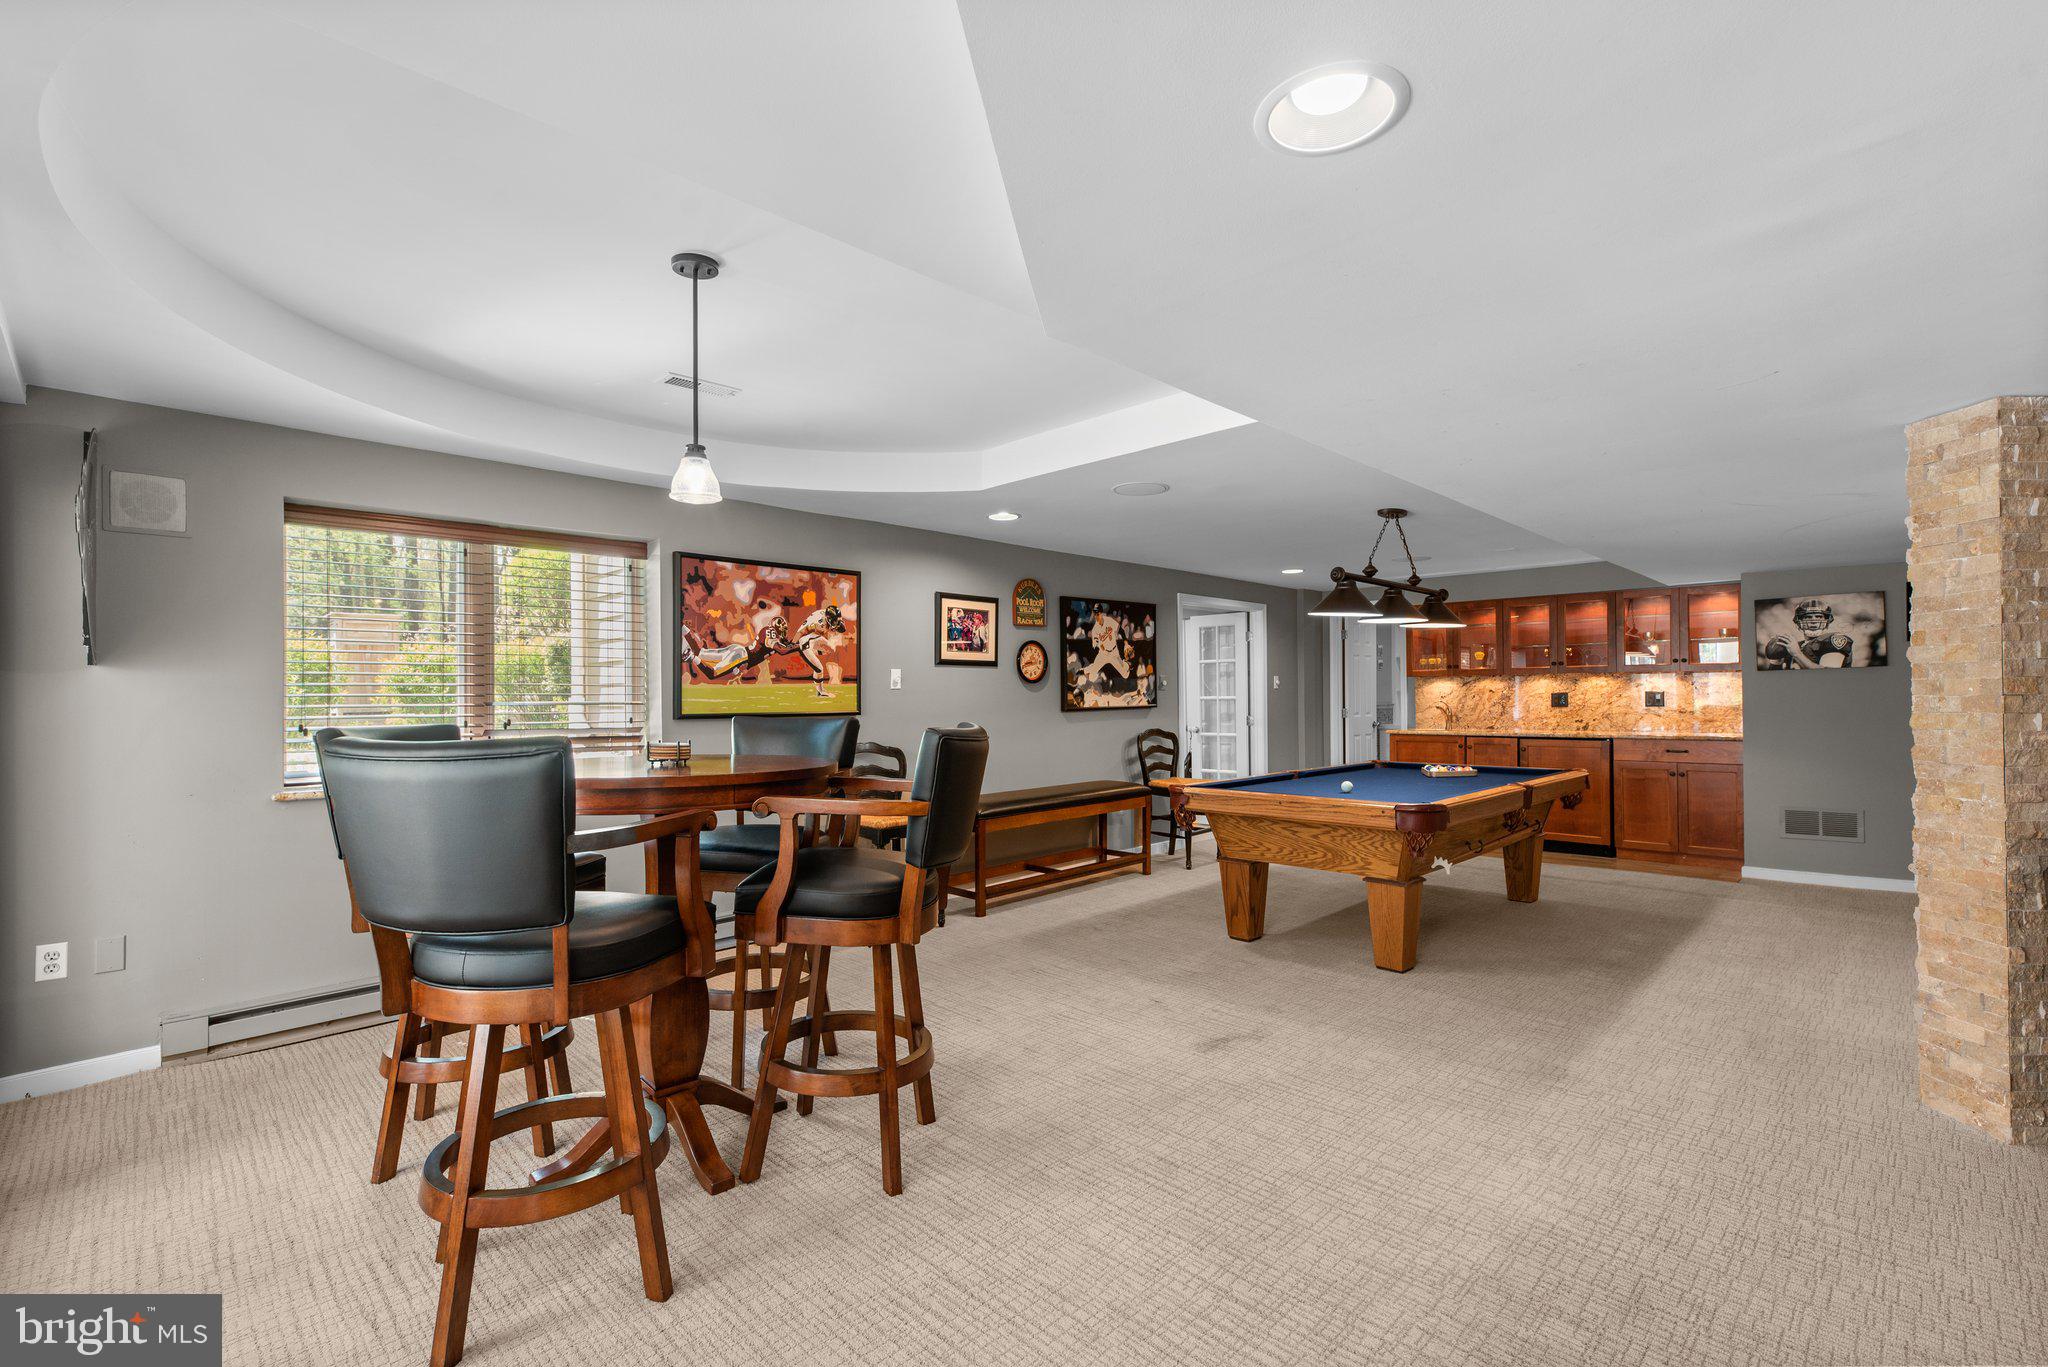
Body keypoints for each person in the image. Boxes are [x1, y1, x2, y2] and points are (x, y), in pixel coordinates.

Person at [681, 603, 845, 697]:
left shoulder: (776, 636)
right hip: (740, 656)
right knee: (712, 673)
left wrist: (805, 647)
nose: (783, 632)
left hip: (739, 652)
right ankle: (689, 657)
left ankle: (683, 630)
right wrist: (801, 645)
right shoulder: (769, 632)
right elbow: (782, 650)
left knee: (702, 652)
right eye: (782, 629)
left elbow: (785, 647)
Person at [1763, 599, 1853, 668]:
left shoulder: (1832, 640)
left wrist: (1797, 654)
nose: (1813, 621)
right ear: (1799, 622)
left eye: (1818, 616)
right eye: (1808, 617)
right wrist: (1776, 662)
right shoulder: (1792, 646)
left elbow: (1828, 675)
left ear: (1826, 621)